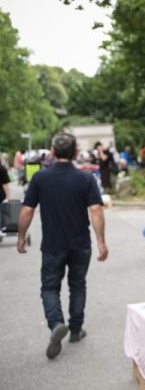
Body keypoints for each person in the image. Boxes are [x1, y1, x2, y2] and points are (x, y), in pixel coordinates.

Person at [16, 132, 108, 360]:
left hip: (53, 244)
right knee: (77, 285)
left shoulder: (40, 178)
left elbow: (27, 210)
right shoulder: (85, 179)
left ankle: (57, 323)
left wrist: (20, 237)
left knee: (49, 287)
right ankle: (75, 330)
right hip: (80, 244)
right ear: (76, 153)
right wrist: (101, 241)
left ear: (53, 152)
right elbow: (96, 210)